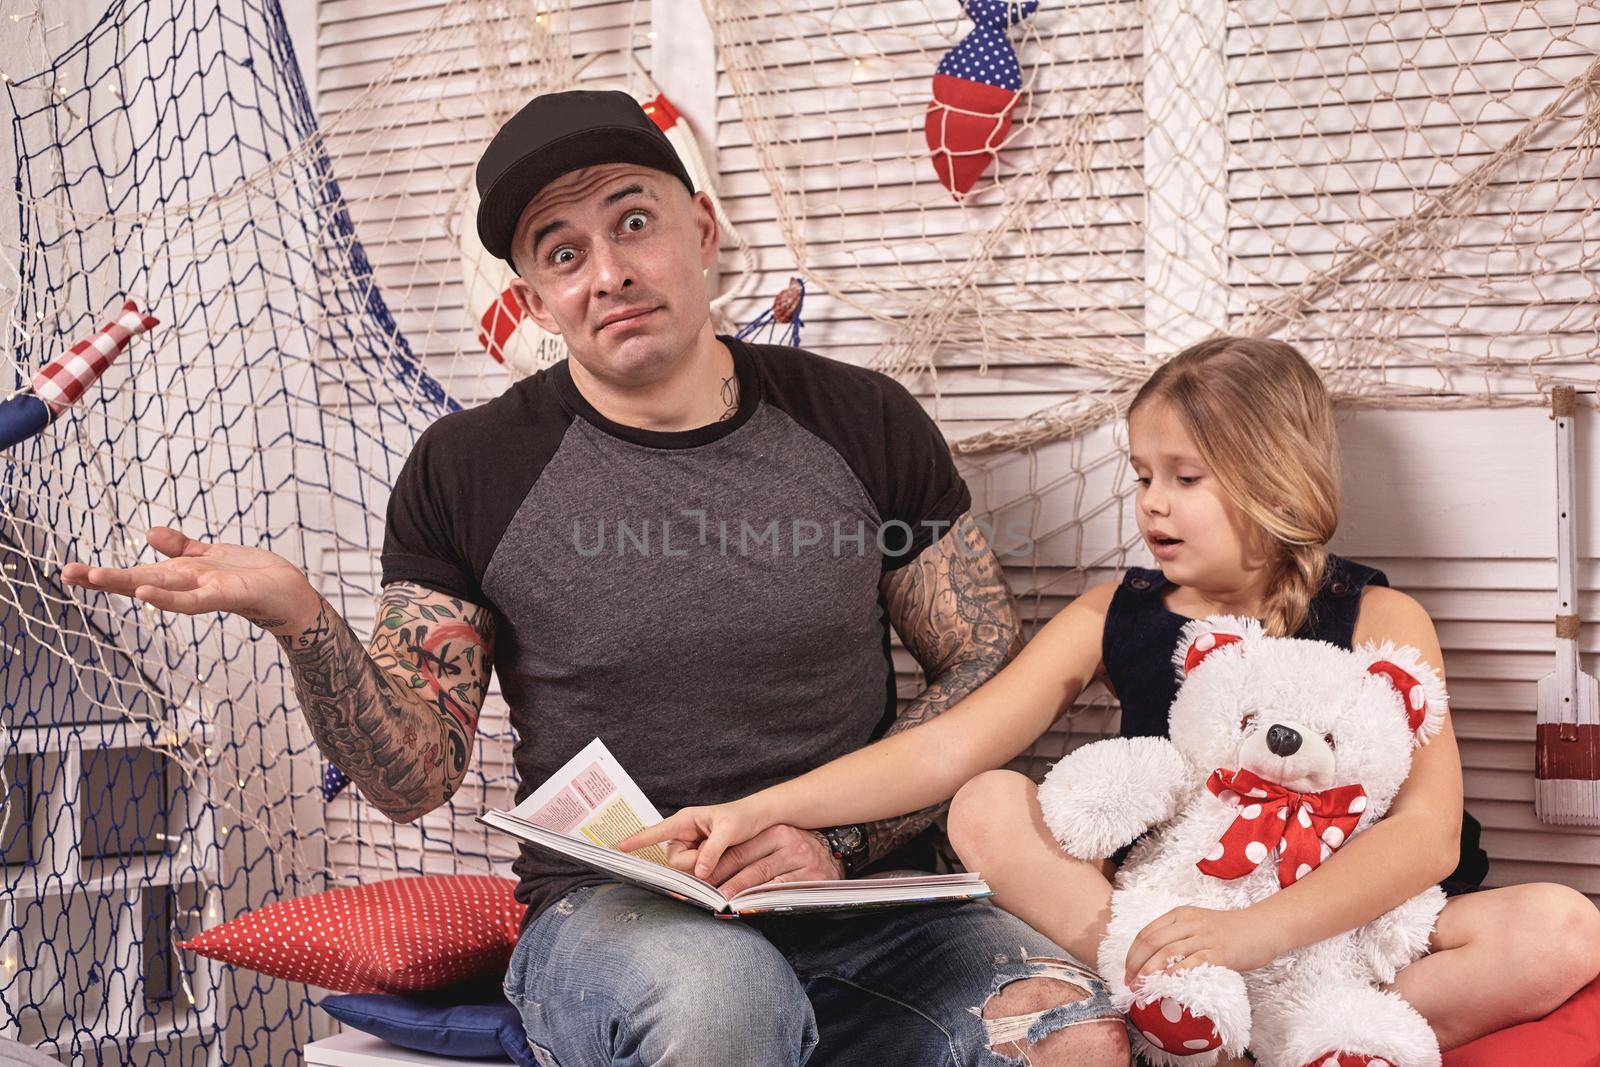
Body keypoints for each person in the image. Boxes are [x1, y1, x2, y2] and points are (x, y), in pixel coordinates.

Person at [60, 89, 1129, 1066]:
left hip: (867, 896)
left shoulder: (860, 417)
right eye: (560, 252)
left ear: (701, 231)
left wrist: (835, 839)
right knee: (726, 1010)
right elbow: (413, 776)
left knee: (1070, 1031)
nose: (607, 270)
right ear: (533, 297)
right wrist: (301, 619)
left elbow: (984, 660)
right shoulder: (469, 466)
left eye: (632, 221)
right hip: (618, 913)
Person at [625, 337, 1600, 1060]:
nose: (1151, 504)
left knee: (1565, 925)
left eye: (1184, 477)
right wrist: (763, 803)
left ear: (1274, 478)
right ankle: (1182, 1002)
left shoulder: (1382, 614)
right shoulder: (1114, 611)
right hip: (1177, 919)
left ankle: (1278, 1034)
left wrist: (1255, 935)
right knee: (986, 801)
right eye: (1141, 476)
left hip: (1335, 926)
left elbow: (1427, 836)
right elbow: (946, 749)